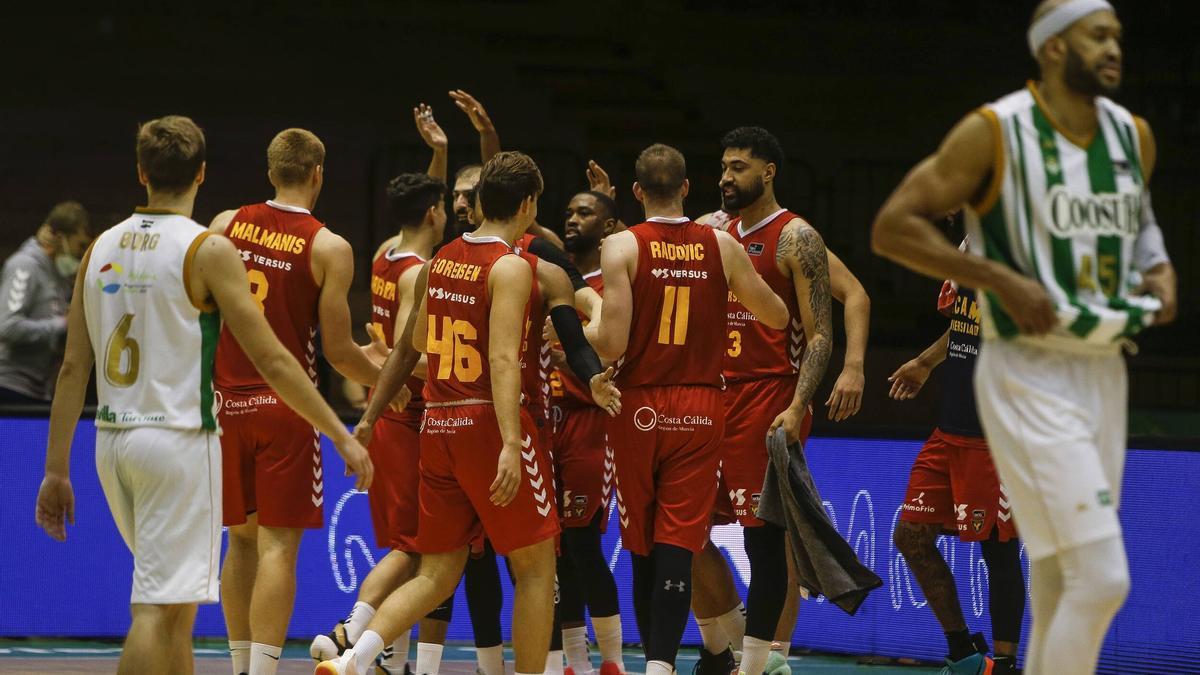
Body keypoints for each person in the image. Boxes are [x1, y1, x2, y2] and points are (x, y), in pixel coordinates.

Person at [871, 2, 1176, 672]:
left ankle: (1005, 661)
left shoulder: (1132, 136)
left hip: (1096, 373)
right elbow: (892, 226)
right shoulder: (996, 134)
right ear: (1053, 48)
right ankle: (985, 655)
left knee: (1077, 574)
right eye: (1098, 35)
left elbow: (1140, 215)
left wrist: (1155, 265)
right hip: (1015, 392)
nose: (1115, 46)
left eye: (1118, 34)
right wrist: (995, 277)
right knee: (1096, 576)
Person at [33, 115, 371, 675]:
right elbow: (273, 357)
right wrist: (341, 433)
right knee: (156, 610)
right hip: (177, 438)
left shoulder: (98, 249)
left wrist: (55, 469)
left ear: (141, 171)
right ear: (202, 172)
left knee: (176, 608)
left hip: (114, 439)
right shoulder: (206, 248)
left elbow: (72, 369)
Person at [319, 151, 619, 675]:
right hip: (489, 421)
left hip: (438, 424)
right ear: (528, 205)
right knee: (536, 568)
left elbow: (411, 343)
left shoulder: (439, 261)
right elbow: (503, 359)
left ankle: (354, 658)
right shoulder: (509, 266)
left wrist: (367, 419)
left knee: (435, 573)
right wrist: (509, 441)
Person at [586, 143, 787, 675]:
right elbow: (777, 315)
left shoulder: (621, 245)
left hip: (641, 406)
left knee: (643, 543)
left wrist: (576, 333)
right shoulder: (722, 246)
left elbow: (610, 344)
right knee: (680, 540)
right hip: (701, 405)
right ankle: (661, 667)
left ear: (635, 192)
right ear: (686, 189)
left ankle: (653, 662)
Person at [210, 128, 382, 675]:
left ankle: (241, 670)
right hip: (287, 407)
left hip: (223, 402)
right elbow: (336, 353)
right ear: (318, 175)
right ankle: (262, 672)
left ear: (270, 172)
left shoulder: (223, 226)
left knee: (238, 542)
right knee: (277, 548)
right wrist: (386, 371)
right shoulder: (329, 246)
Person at [686, 126, 846, 675]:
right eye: (723, 167)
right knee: (678, 529)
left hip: (767, 394)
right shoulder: (708, 230)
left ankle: (763, 664)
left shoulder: (795, 236)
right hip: (705, 398)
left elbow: (821, 332)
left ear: (768, 172)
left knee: (764, 538)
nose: (726, 177)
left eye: (738, 167)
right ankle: (725, 649)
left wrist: (799, 406)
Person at [310, 172, 449, 674]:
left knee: (405, 546)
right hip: (409, 413)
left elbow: (416, 199)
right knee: (416, 550)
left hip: (385, 408)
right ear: (435, 211)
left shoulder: (385, 255)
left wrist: (436, 157)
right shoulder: (421, 272)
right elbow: (409, 357)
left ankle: (390, 660)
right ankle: (349, 628)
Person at [888, 236, 1025, 675]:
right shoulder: (969, 245)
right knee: (910, 535)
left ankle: (1002, 664)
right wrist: (926, 362)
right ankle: (964, 653)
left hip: (995, 433)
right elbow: (965, 325)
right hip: (949, 430)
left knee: (998, 548)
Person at [550, 187, 627, 675]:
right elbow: (512, 212)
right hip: (547, 424)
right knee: (556, 549)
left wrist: (562, 355)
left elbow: (609, 359)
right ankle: (575, 662)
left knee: (582, 545)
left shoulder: (613, 285)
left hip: (591, 427)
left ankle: (613, 661)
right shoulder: (553, 279)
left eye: (585, 212)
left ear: (610, 227)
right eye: (569, 211)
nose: (572, 219)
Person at [0, 201, 91, 404]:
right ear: (60, 238)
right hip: (9, 388)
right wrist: (62, 324)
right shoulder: (24, 266)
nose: (81, 253)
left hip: (37, 391)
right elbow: (7, 326)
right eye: (81, 245)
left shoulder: (58, 277)